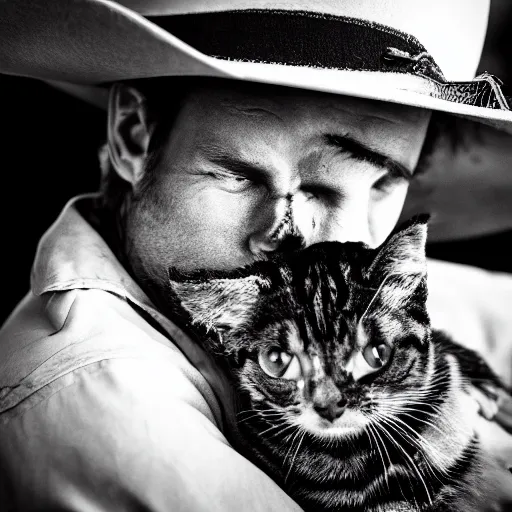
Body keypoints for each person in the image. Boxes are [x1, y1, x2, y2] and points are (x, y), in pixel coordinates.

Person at [0, 0, 512, 510]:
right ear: (133, 133)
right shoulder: (107, 408)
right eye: (242, 176)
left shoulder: (359, 282)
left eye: (380, 184)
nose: (316, 243)